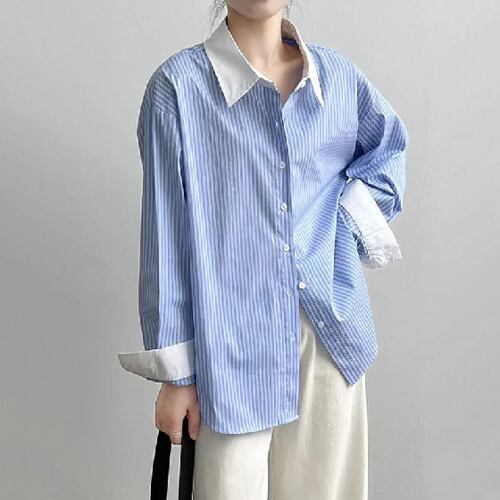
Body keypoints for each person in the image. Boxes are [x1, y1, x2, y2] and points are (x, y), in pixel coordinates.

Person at [117, 1, 408, 498]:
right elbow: (165, 239)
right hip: (227, 347)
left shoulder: (338, 81)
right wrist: (177, 378)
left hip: (327, 337)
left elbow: (387, 159)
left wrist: (331, 233)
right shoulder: (178, 89)